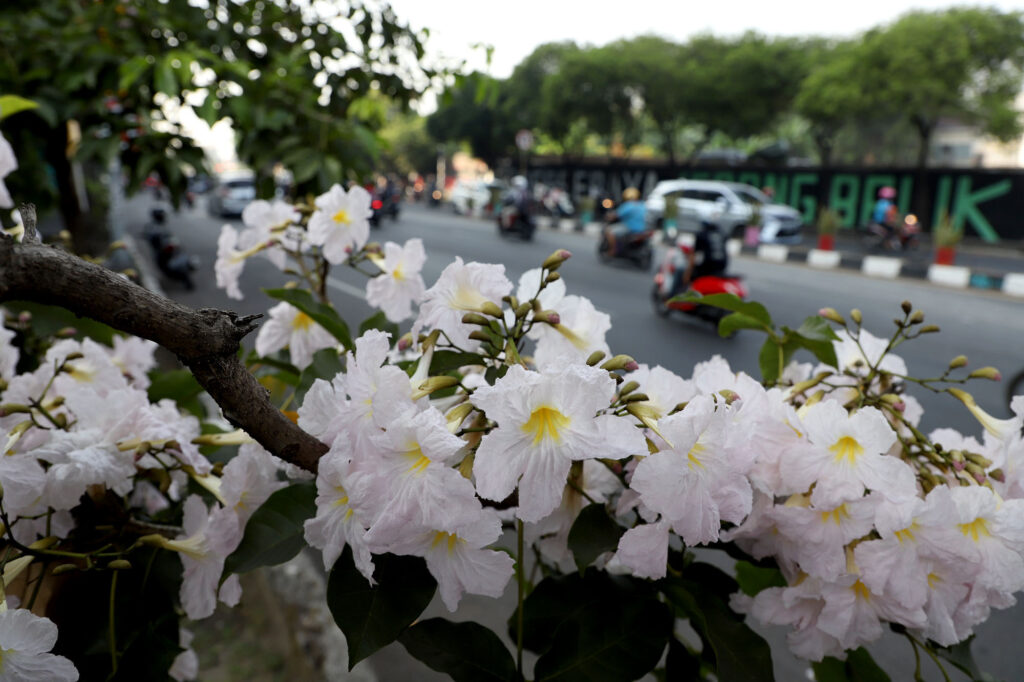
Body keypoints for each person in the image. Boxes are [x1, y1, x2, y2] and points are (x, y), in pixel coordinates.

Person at [672, 220, 729, 296]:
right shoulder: (722, 234)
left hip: (707, 269)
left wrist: (688, 273)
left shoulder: (702, 235)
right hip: (721, 270)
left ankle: (673, 296)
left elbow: (693, 256)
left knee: (680, 271)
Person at [605, 187, 647, 255]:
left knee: (609, 231)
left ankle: (612, 250)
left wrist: (609, 217)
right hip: (642, 229)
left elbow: (616, 215)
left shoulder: (628, 205)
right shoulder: (643, 205)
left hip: (629, 228)